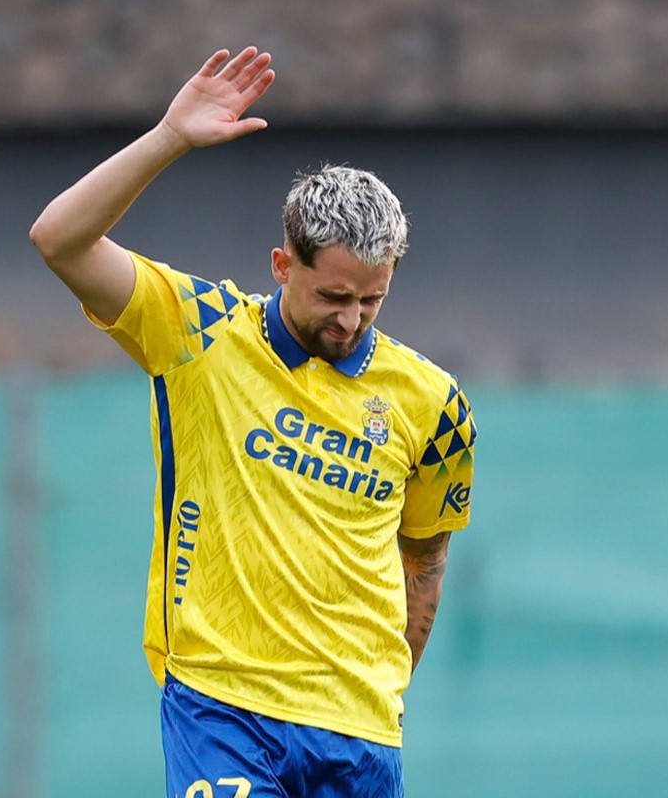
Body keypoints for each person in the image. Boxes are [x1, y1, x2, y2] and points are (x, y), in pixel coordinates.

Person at [30, 46, 476, 798]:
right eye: (333, 297)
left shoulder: (435, 404)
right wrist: (168, 138)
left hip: (360, 730)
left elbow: (424, 561)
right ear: (282, 265)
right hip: (221, 705)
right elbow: (59, 240)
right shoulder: (199, 330)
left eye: (371, 300)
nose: (351, 320)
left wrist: (380, 691)